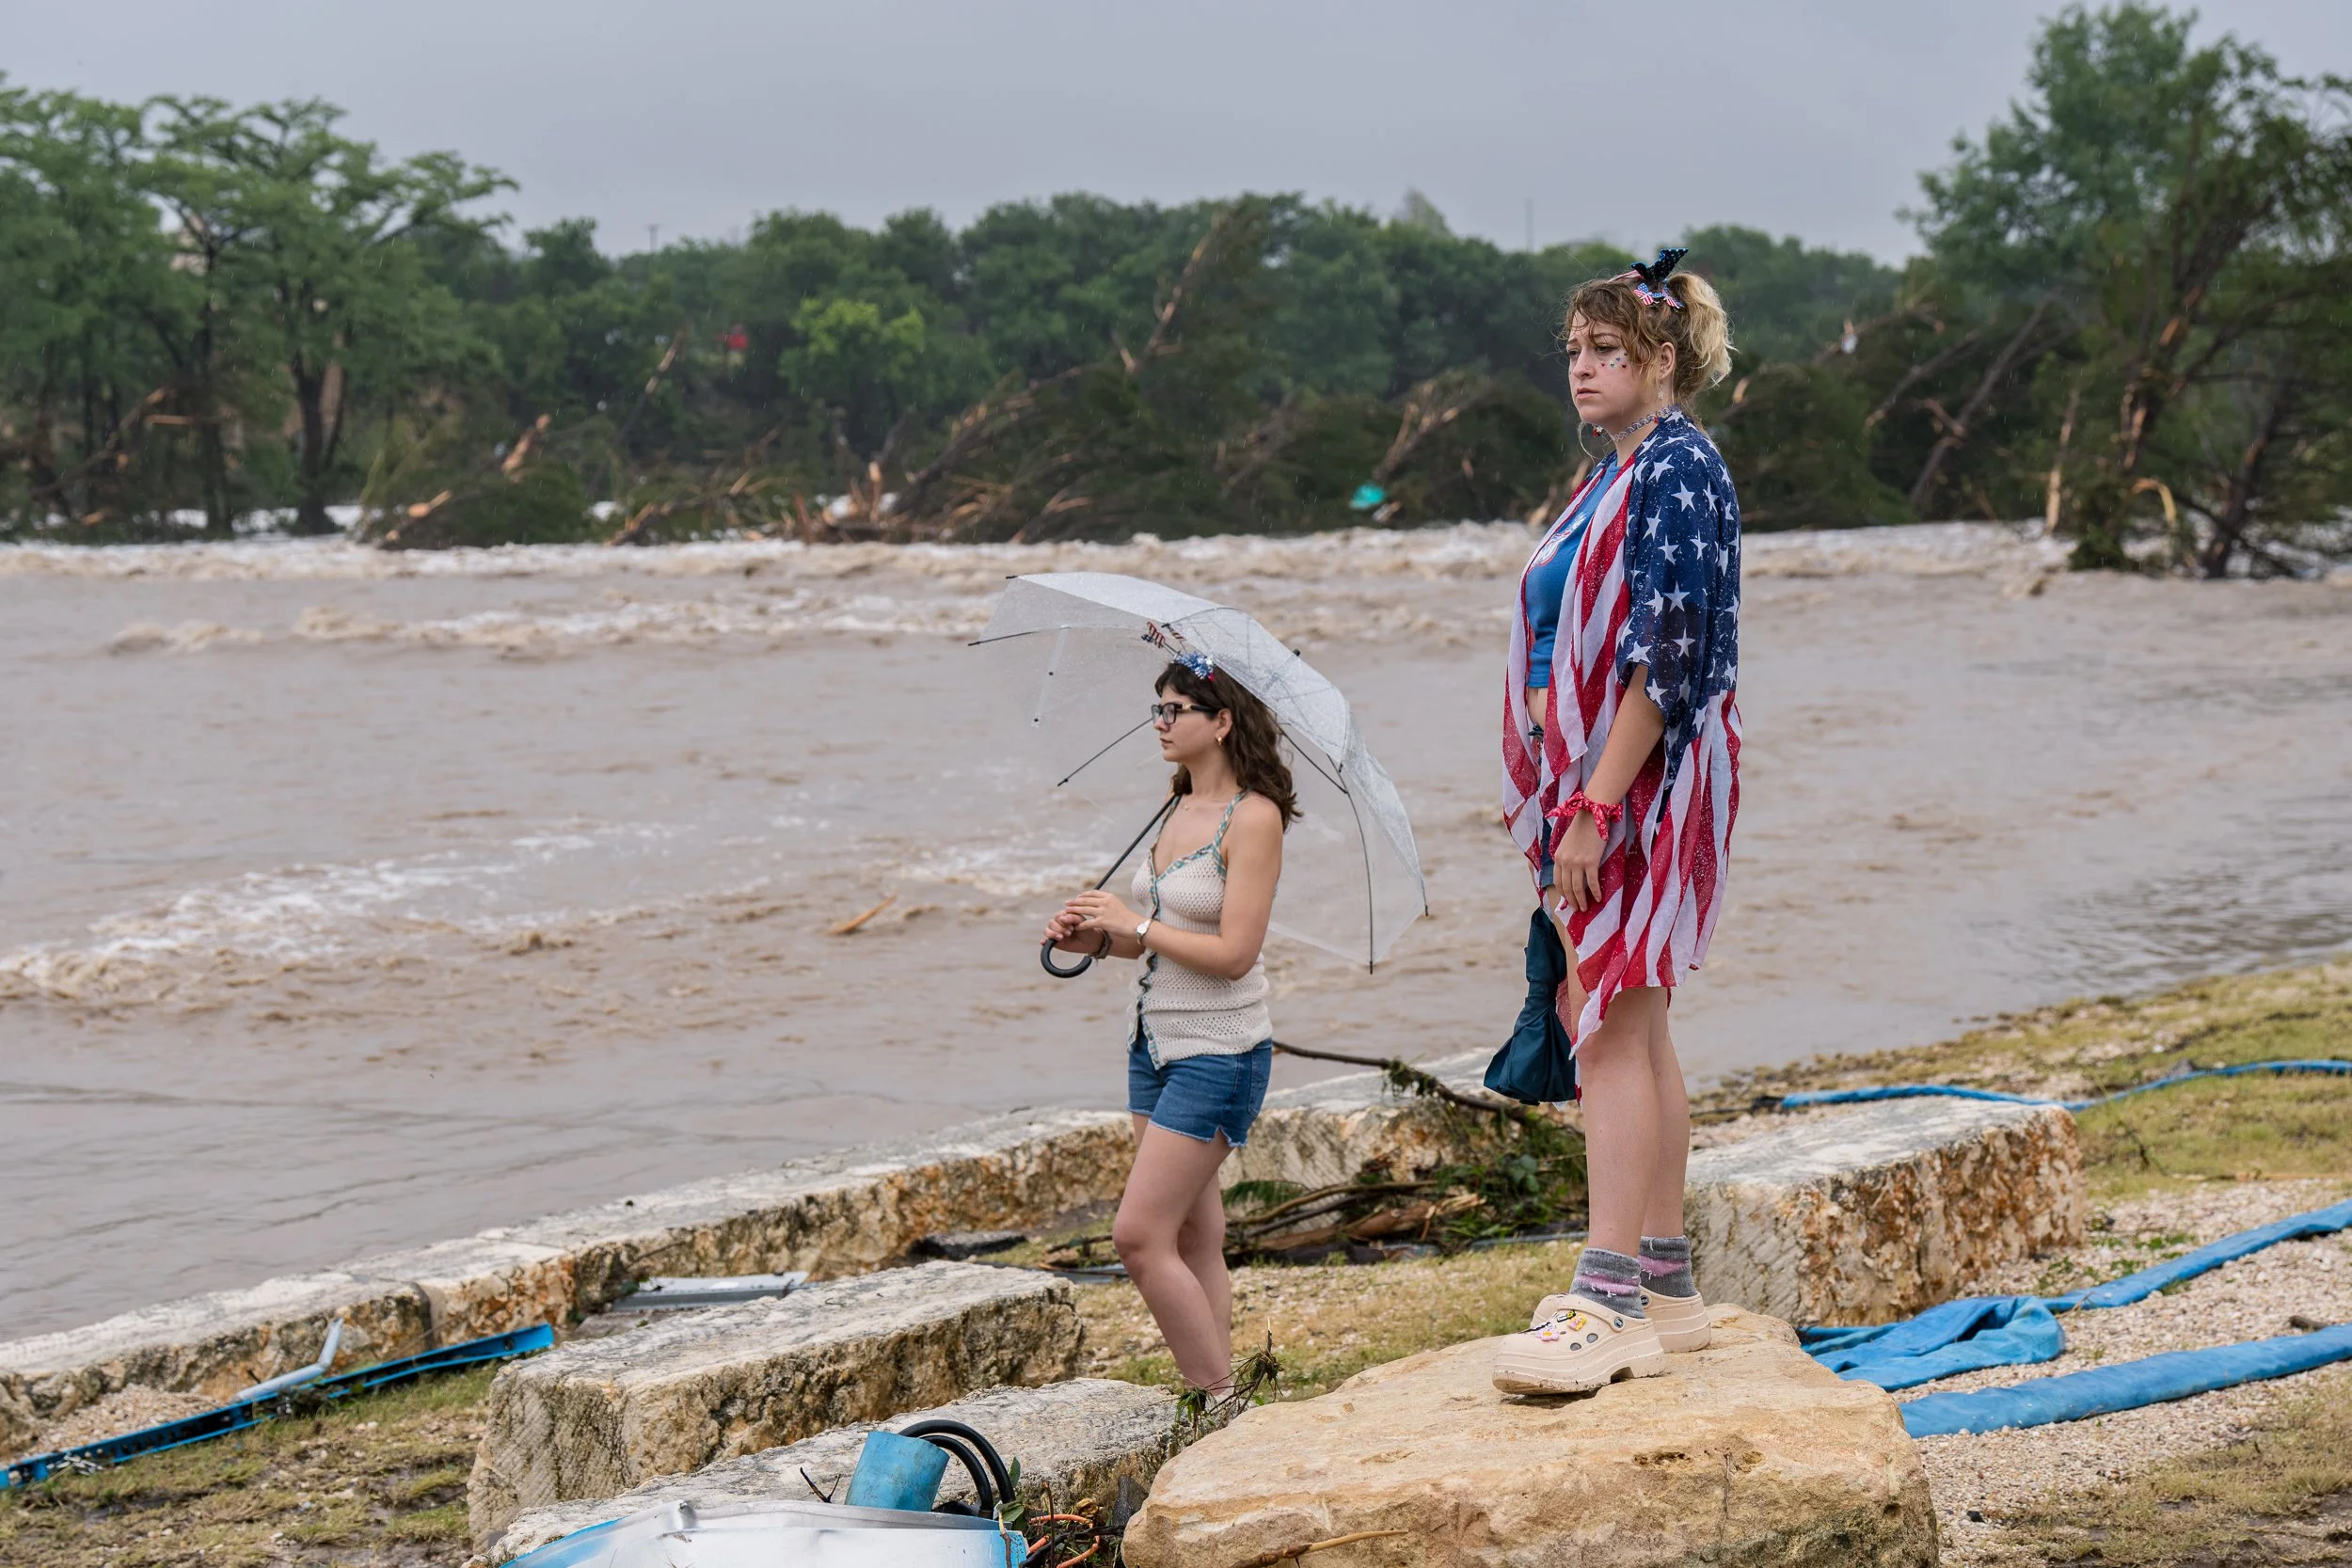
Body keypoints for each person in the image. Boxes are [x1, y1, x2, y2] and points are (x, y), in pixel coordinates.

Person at [1491, 248, 1743, 1395]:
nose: (1582, 372)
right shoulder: (1620, 469)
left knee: (1608, 1027)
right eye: (1574, 354)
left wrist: (1593, 802)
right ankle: (1666, 1280)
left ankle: (1607, 1298)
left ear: (1659, 360)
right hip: (1603, 773)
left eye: (1605, 353)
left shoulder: (1676, 470)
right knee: (1632, 1018)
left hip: (1643, 779)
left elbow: (1668, 650)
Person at [1043, 652, 1295, 1395]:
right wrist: (1094, 937)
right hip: (1151, 1045)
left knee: (1137, 1236)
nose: (1159, 722)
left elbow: (1233, 953)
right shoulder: (1171, 804)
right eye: (1156, 708)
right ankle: (1214, 1394)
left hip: (1220, 1053)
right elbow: (1147, 938)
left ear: (1220, 722)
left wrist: (1137, 923)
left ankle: (1219, 1401)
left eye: (1174, 709)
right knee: (1192, 1233)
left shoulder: (1253, 818)